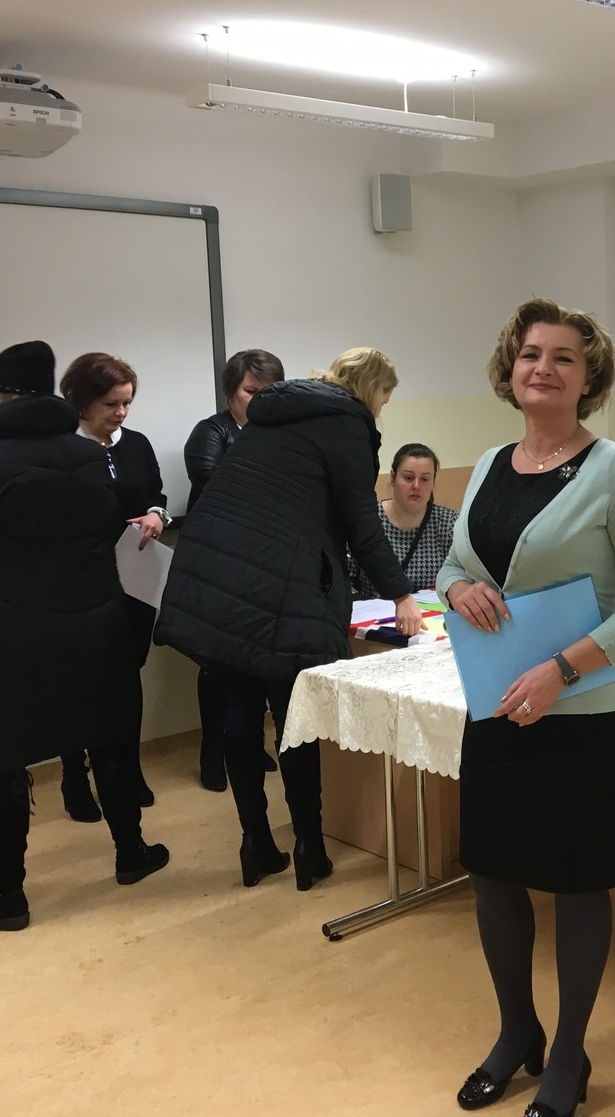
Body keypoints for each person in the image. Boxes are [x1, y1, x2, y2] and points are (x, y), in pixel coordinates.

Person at [436, 300, 615, 1117]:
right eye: (531, 353)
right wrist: (457, 589)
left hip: (578, 712)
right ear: (511, 370)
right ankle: (517, 1034)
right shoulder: (489, 464)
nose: (544, 367)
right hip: (497, 705)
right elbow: (455, 566)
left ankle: (569, 1054)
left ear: (588, 378)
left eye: (564, 357)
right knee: (493, 876)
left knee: (577, 884)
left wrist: (562, 671)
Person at [155, 348, 424, 891]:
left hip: (220, 577)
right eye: (385, 398)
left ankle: (255, 842)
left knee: (239, 717)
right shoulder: (349, 423)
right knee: (293, 721)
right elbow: (360, 523)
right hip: (282, 587)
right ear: (372, 390)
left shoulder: (271, 416)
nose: (382, 408)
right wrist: (402, 594)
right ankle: (309, 847)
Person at [0, 340, 168, 932]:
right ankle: (132, 852)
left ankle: (7, 896)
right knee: (110, 736)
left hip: (13, 634)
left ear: (8, 398)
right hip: (97, 624)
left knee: (2, 757)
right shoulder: (89, 456)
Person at [57, 351, 169, 820]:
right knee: (80, 685)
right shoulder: (60, 449)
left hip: (134, 586)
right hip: (80, 590)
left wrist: (156, 516)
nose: (121, 412)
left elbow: (157, 496)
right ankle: (74, 776)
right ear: (81, 402)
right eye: (110, 404)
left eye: (127, 402)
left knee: (127, 679)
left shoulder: (137, 445)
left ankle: (128, 771)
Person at [183, 348, 287, 791]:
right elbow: (212, 486)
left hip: (265, 563)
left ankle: (251, 746)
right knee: (217, 664)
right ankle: (212, 754)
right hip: (217, 563)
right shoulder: (212, 432)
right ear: (231, 392)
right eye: (250, 391)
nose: (259, 400)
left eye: (268, 392)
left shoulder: (281, 435)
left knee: (257, 661)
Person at [349, 442, 459, 599]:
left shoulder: (449, 523)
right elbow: (344, 582)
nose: (416, 486)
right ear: (393, 477)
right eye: (408, 477)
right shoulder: (367, 521)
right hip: (373, 612)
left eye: (425, 479)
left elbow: (462, 576)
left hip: (433, 613)